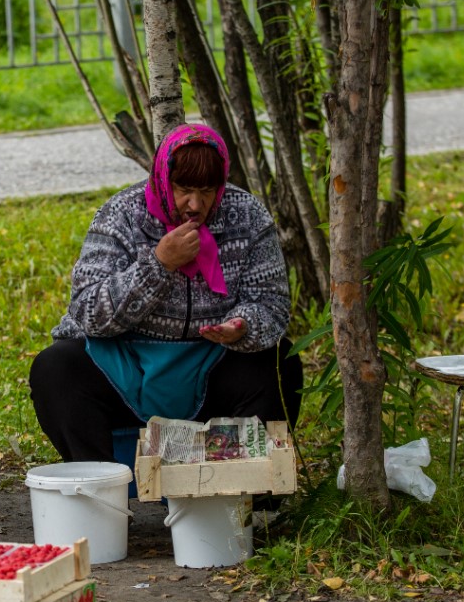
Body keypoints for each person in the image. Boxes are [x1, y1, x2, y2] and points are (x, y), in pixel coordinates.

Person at [29, 122, 302, 463]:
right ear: (161, 179)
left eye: (207, 190)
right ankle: (100, 496)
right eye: (183, 188)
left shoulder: (247, 215)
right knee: (56, 367)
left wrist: (243, 325)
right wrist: (159, 264)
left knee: (281, 362)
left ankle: (244, 501)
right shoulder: (121, 215)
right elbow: (87, 312)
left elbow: (272, 304)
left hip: (211, 361)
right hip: (124, 364)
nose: (195, 204)